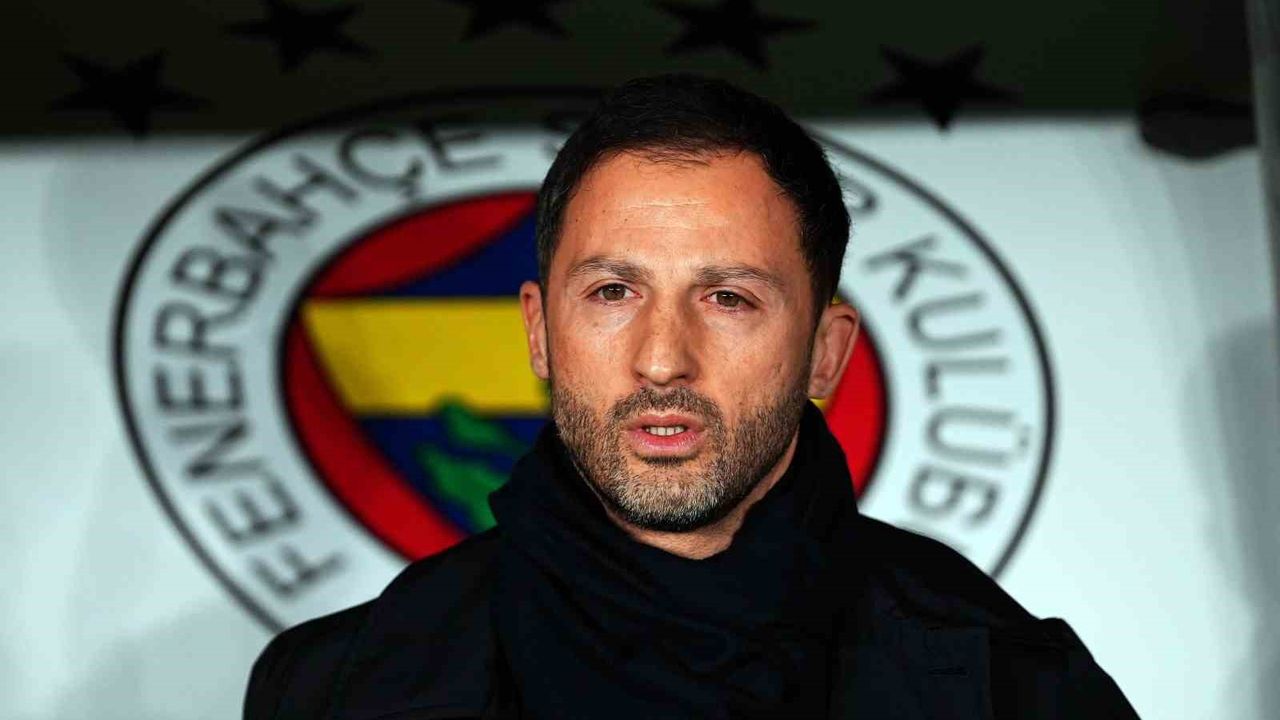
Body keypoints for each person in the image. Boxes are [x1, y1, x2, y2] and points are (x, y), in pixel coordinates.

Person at [243, 74, 1140, 719]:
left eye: (728, 299)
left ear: (825, 354)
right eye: (612, 292)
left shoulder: (1013, 684)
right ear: (539, 333)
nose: (662, 361)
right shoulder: (331, 688)